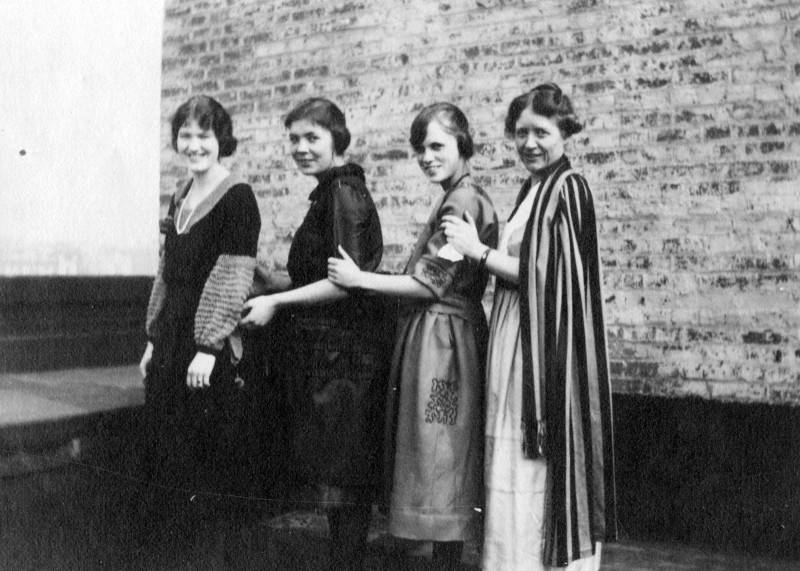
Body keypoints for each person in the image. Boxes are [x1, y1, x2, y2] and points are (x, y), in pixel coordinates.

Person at [442, 83, 616, 570]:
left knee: (536, 466)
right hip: (513, 338)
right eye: (520, 133)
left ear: (565, 132)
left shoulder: (570, 189)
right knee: (509, 463)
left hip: (546, 350)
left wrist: (479, 251)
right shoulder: (531, 190)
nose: (529, 143)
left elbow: (555, 277)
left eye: (541, 131)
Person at [328, 102, 499, 570]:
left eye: (437, 146)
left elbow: (430, 281)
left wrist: (360, 279)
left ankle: (445, 563)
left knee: (441, 449)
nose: (426, 156)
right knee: (441, 453)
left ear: (463, 146)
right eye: (420, 148)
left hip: (444, 346)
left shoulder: (463, 201)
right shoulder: (457, 196)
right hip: (440, 336)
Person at [239, 97, 387, 571]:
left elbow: (346, 283)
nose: (301, 148)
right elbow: (321, 277)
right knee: (338, 488)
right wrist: (273, 282)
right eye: (294, 140)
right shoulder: (330, 192)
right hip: (330, 355)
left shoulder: (343, 194)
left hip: (344, 361)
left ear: (337, 140)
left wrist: (277, 302)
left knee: (344, 492)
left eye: (312, 138)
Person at [138, 96, 261, 540]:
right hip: (170, 337)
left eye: (203, 135)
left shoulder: (238, 198)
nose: (194, 145)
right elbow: (166, 270)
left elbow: (233, 274)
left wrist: (209, 347)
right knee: (163, 455)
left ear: (221, 139)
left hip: (203, 346)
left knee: (200, 462)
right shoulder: (180, 194)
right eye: (185, 135)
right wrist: (153, 337)